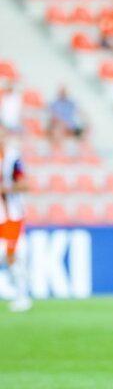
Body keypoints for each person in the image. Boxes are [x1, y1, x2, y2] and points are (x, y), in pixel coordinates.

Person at [0, 127, 31, 312]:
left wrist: (6, 188)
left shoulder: (13, 159)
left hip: (11, 214)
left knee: (11, 254)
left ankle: (21, 295)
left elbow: (24, 184)